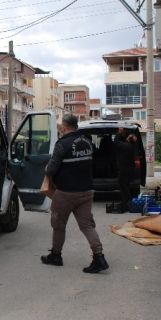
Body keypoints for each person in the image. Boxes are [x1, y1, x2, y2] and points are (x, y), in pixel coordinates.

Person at [41, 114, 109, 274]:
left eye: (61, 125)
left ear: (65, 127)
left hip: (66, 193)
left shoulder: (62, 144)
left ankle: (56, 255)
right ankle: (99, 257)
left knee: (58, 224)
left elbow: (50, 170)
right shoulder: (87, 142)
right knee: (87, 226)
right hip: (86, 191)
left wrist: (47, 168)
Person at [114, 123, 138, 213]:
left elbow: (116, 142)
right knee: (125, 185)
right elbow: (120, 142)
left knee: (123, 186)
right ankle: (126, 202)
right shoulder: (131, 145)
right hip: (129, 169)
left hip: (124, 169)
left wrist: (119, 133)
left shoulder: (126, 146)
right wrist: (128, 136)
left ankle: (127, 203)